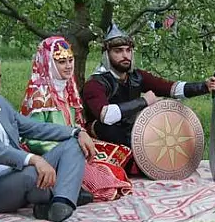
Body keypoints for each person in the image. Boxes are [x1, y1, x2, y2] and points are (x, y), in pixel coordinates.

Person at [0, 53, 95, 222]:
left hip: (17, 172)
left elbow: (30, 127)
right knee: (32, 171)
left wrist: (75, 132)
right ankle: (64, 193)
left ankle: (61, 204)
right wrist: (33, 159)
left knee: (75, 144)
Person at [20, 36, 133, 202]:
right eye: (61, 62)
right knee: (105, 182)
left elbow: (75, 126)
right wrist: (71, 149)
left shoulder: (68, 90)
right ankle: (70, 190)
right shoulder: (40, 95)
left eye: (70, 60)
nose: (68, 66)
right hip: (48, 154)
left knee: (118, 154)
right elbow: (33, 140)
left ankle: (77, 186)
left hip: (72, 145)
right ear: (48, 63)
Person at [82, 23, 215, 148]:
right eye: (118, 51)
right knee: (106, 127)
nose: (125, 55)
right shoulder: (95, 83)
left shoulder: (137, 76)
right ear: (106, 55)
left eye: (128, 50)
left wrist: (204, 86)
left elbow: (170, 88)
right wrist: (144, 101)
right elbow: (106, 115)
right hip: (106, 137)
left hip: (133, 130)